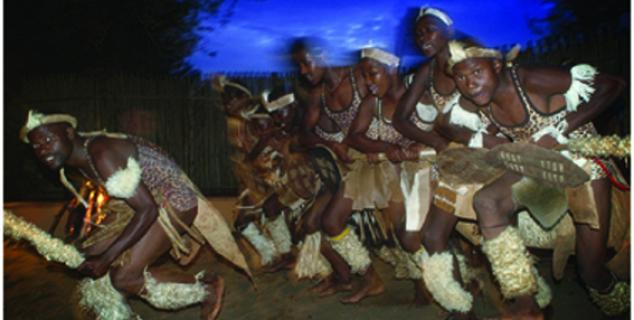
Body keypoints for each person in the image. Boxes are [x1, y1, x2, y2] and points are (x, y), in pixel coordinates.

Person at [447, 40, 628, 318]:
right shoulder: (475, 98)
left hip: (581, 161)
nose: (469, 83)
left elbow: (613, 84)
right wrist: (478, 137)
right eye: (460, 77)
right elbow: (443, 124)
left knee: (590, 270)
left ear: (496, 66)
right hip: (532, 163)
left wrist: (559, 130)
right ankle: (524, 301)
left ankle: (621, 305)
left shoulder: (529, 80)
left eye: (476, 72)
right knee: (486, 201)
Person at [20, 110, 251, 320]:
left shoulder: (101, 153)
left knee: (123, 277)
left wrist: (107, 258)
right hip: (142, 201)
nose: (43, 151)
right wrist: (93, 249)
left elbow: (148, 209)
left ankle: (206, 287)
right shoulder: (81, 159)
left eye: (48, 140)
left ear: (69, 133)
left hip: (172, 200)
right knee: (87, 253)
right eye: (36, 147)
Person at [392, 7, 484, 317]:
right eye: (418, 34)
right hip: (443, 161)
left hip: (484, 156)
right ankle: (461, 304)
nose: (422, 38)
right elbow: (400, 119)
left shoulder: (470, 59)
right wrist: (438, 143)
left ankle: (527, 302)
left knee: (489, 235)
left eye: (429, 30)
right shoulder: (427, 72)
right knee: (416, 236)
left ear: (448, 30)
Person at [349, 47, 434, 304]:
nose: (367, 82)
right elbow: (355, 137)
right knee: (400, 231)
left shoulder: (421, 98)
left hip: (428, 172)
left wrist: (424, 145)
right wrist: (384, 148)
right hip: (392, 176)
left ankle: (441, 281)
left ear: (392, 69)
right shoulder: (371, 104)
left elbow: (449, 131)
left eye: (372, 74)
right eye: (363, 77)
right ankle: (422, 281)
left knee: (416, 234)